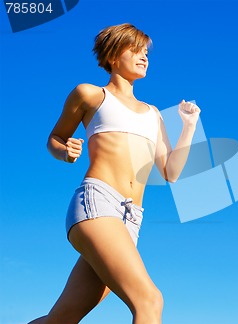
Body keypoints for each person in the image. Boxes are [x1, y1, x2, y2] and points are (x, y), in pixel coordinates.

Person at [29, 23, 200, 324]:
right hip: (98, 203)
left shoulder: (154, 114)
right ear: (111, 55)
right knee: (149, 300)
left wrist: (188, 126)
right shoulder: (91, 95)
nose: (144, 56)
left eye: (146, 52)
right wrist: (63, 151)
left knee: (61, 318)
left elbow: (170, 171)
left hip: (130, 221)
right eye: (135, 49)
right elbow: (55, 138)